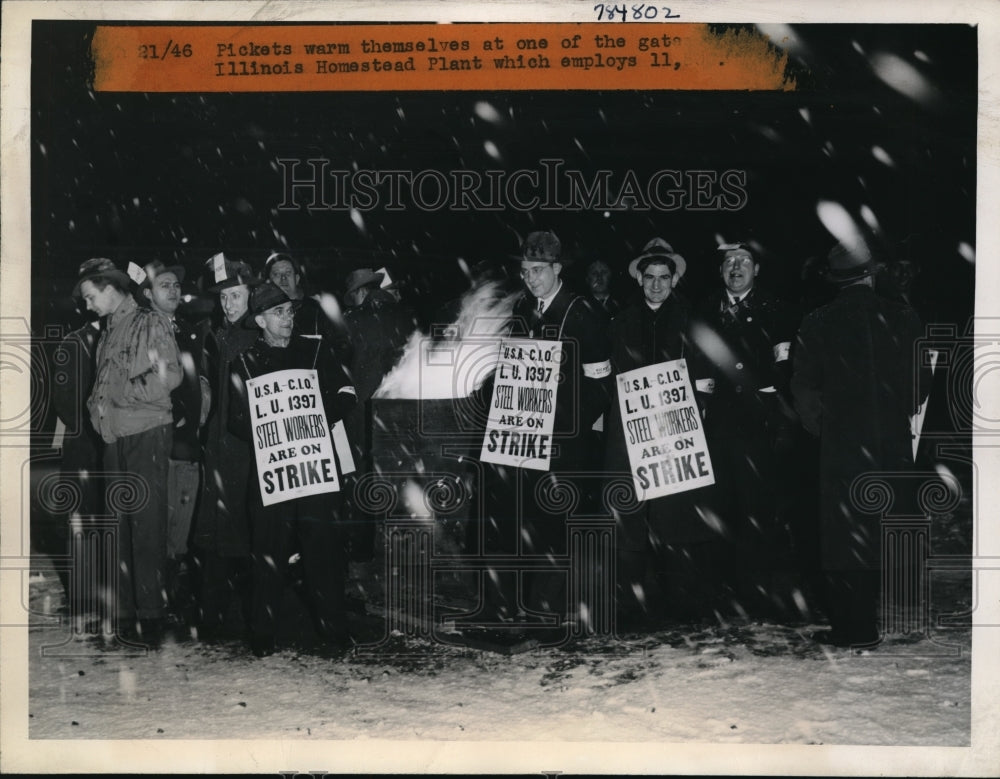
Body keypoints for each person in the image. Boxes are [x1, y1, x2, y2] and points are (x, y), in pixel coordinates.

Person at [791, 242, 929, 647]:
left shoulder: (817, 321)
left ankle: (855, 628)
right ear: (871, 274)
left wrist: (824, 429)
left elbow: (803, 389)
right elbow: (921, 384)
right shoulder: (904, 318)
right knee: (882, 524)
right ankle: (885, 615)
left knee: (843, 533)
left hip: (841, 446)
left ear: (836, 279)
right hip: (890, 442)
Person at [486, 230, 613, 631]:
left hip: (563, 442)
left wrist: (560, 419)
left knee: (553, 527)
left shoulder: (583, 312)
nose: (530, 278)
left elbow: (600, 385)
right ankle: (506, 607)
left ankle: (547, 610)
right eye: (525, 271)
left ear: (558, 269)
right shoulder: (520, 310)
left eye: (538, 270)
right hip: (519, 439)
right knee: (512, 521)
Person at [229, 282, 358, 657]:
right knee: (268, 553)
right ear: (260, 320)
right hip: (275, 474)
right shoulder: (245, 362)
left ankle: (334, 632)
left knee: (324, 552)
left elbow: (347, 395)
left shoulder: (315, 348)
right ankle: (262, 636)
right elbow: (236, 421)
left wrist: (316, 415)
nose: (288, 319)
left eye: (290, 312)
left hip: (317, 470)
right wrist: (275, 428)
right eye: (279, 313)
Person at [604, 238, 721, 628]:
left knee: (678, 521)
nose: (656, 285)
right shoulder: (620, 321)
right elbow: (610, 375)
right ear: (639, 279)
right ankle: (632, 607)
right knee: (631, 520)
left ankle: (682, 605)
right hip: (630, 433)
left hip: (675, 434)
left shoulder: (691, 319)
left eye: (664, 277)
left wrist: (699, 411)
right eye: (650, 277)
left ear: (674, 280)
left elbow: (705, 375)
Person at [77, 258, 182, 646]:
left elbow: (170, 375)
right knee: (118, 528)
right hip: (115, 437)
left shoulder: (148, 322)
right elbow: (103, 383)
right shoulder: (110, 329)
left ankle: (150, 617)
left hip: (147, 435)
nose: (88, 305)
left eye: (91, 297)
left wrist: (122, 396)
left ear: (110, 288)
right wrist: (96, 408)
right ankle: (123, 614)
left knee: (147, 526)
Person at [693, 242, 798, 616]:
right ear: (720, 271)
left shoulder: (777, 310)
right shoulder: (704, 311)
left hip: (760, 426)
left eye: (744, 261)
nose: (736, 267)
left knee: (758, 509)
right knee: (718, 508)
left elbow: (784, 369)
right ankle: (721, 593)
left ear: (757, 269)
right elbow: (696, 366)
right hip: (716, 426)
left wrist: (766, 400)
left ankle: (758, 592)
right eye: (729, 262)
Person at [191, 254, 259, 640]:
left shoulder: (254, 335)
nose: (228, 304)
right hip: (219, 444)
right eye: (223, 298)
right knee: (218, 529)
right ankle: (212, 612)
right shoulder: (218, 335)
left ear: (250, 294)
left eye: (236, 295)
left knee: (242, 529)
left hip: (247, 447)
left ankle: (242, 613)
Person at [140, 260, 211, 625]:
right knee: (155, 526)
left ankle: (163, 597)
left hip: (186, 446)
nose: (172, 290)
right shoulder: (139, 330)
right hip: (155, 444)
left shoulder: (187, 330)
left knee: (179, 530)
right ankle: (153, 603)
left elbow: (195, 380)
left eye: (174, 285)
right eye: (163, 284)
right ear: (148, 293)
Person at [264, 251, 348, 353]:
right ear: (268, 281)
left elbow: (340, 345)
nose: (283, 278)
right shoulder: (261, 314)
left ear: (297, 279)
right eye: (277, 274)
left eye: (288, 273)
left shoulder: (317, 310)